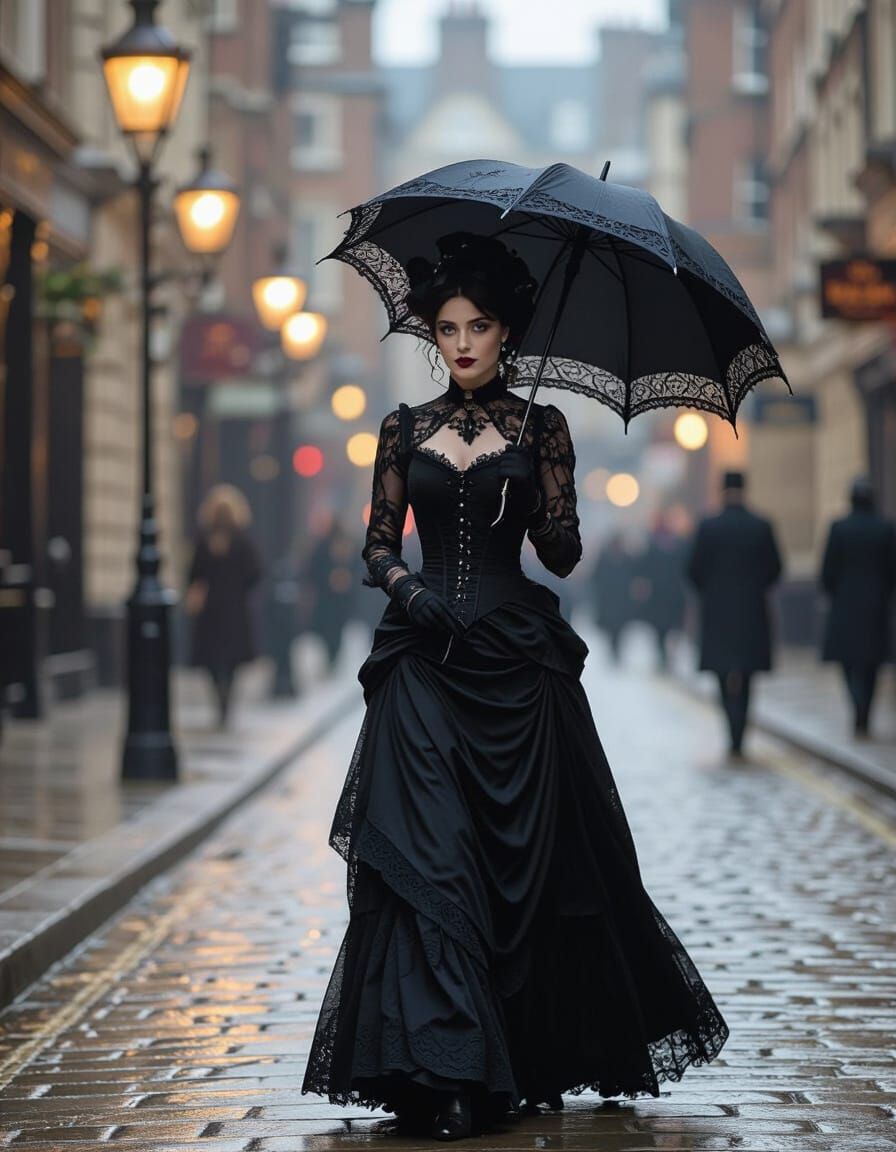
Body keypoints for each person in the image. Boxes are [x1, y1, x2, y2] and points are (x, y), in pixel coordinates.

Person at [301, 233, 729, 1141]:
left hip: (517, 669)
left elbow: (562, 557)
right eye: (447, 328)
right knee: (434, 862)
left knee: (521, 869)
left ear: (506, 335)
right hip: (421, 661)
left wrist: (546, 501)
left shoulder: (544, 429)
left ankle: (516, 1056)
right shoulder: (402, 429)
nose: (461, 344)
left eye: (479, 327)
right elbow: (377, 543)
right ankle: (445, 1071)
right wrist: (409, 590)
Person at [686, 471, 782, 759]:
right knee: (748, 673)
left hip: (717, 613)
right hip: (751, 611)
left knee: (721, 672)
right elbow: (775, 568)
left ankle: (732, 728)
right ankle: (740, 734)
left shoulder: (708, 527)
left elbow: (693, 571)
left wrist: (712, 591)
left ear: (721, 489)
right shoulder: (761, 526)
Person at [819, 476, 896, 737]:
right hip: (875, 606)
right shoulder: (885, 529)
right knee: (871, 664)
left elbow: (828, 571)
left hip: (845, 606)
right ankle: (865, 712)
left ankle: (857, 706)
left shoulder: (839, 528)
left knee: (849, 663)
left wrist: (834, 594)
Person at [185, 485, 262, 727]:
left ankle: (222, 697)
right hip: (232, 610)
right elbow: (255, 573)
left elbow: (193, 574)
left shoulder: (212, 539)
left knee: (217, 660)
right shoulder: (239, 540)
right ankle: (224, 696)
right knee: (227, 661)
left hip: (216, 610)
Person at [636, 510, 689, 671]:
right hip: (664, 593)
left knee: (666, 627)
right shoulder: (674, 544)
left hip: (665, 593)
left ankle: (665, 653)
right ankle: (664, 654)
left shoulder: (661, 544)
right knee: (663, 627)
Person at [590, 531, 634, 663]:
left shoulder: (626, 558)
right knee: (610, 627)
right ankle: (612, 649)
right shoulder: (604, 557)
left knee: (619, 628)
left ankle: (616, 650)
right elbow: (596, 577)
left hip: (621, 599)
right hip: (608, 599)